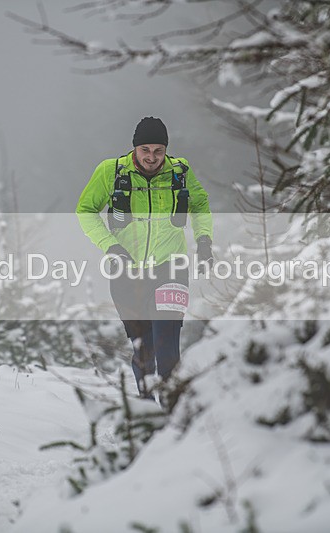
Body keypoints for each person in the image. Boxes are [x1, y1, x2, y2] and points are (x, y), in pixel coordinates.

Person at [76, 117, 213, 401]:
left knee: (167, 346)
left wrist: (204, 240)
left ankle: (174, 410)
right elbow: (85, 210)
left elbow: (200, 205)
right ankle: (147, 413)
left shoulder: (180, 171)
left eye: (158, 150)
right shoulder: (111, 172)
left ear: (166, 150)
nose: (152, 157)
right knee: (144, 350)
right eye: (145, 150)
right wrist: (110, 246)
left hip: (171, 268)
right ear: (135, 148)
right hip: (127, 272)